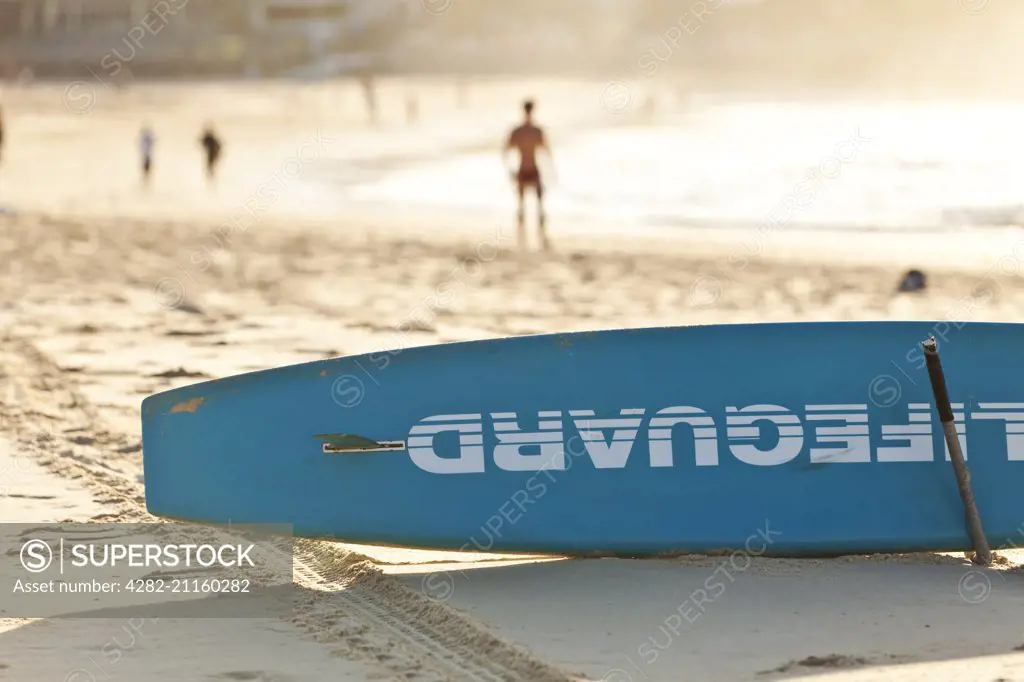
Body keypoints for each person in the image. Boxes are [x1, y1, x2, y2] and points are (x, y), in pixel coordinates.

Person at [503, 99, 551, 250]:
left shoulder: (521, 131)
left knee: (530, 204)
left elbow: (506, 151)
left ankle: (528, 236)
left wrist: (510, 169)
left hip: (525, 168)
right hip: (529, 168)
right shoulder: (534, 131)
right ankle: (525, 237)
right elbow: (547, 152)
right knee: (529, 205)